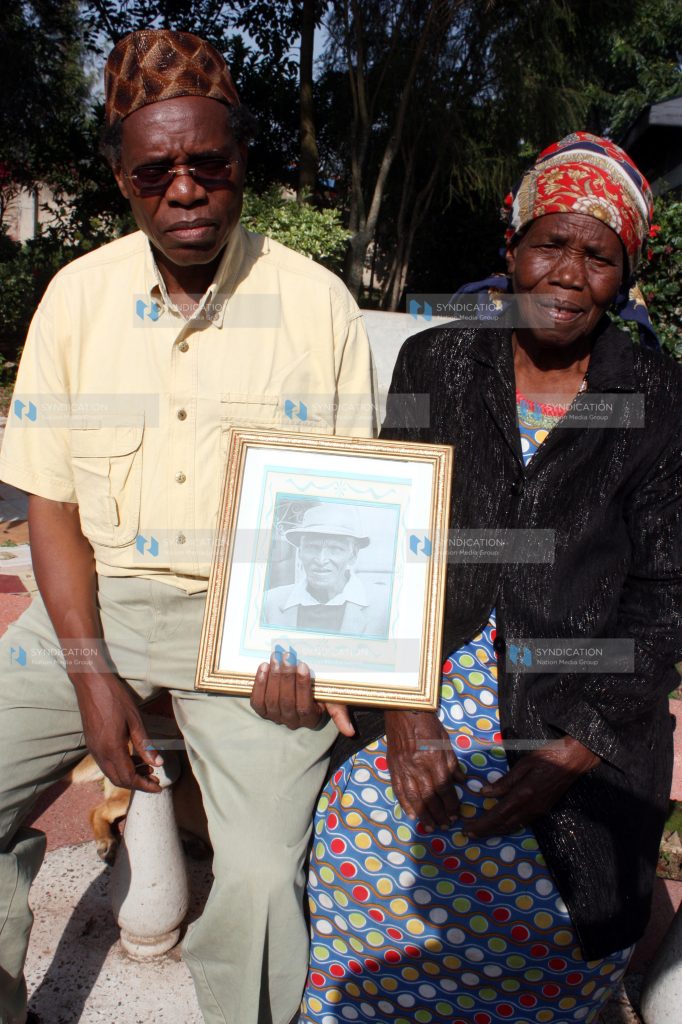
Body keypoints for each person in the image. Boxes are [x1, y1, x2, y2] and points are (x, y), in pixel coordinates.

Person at [0, 28, 375, 1024]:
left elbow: (346, 515)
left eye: (207, 162)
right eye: (153, 170)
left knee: (256, 877)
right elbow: (51, 505)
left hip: (252, 626)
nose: (183, 188)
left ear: (241, 160)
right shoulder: (76, 301)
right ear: (122, 179)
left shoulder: (315, 306)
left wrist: (314, 652)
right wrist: (90, 674)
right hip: (92, 601)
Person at [268, 133, 682, 1024]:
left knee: (558, 902)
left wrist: (577, 746)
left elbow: (667, 598)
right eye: (551, 243)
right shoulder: (437, 364)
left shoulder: (657, 394)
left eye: (598, 255)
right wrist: (406, 712)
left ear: (627, 273)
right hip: (433, 670)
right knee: (365, 840)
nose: (568, 273)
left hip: (586, 696)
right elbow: (386, 528)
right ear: (514, 248)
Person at [262, 503, 390, 637]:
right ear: (300, 552)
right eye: (312, 547)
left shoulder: (384, 608)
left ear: (353, 555)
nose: (321, 560)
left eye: (335, 549)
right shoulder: (269, 603)